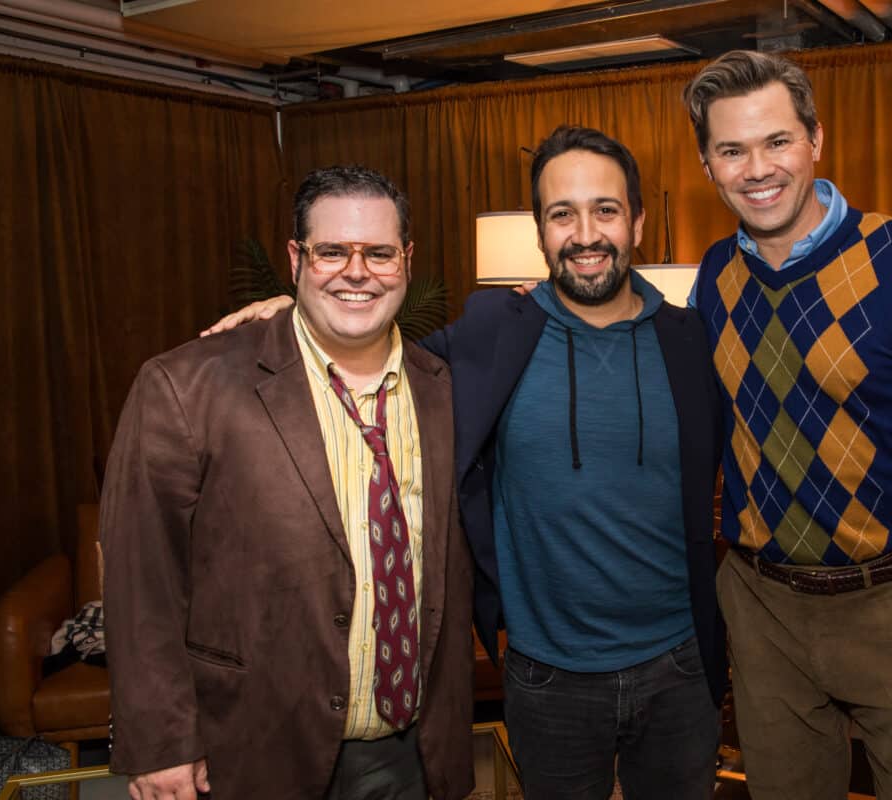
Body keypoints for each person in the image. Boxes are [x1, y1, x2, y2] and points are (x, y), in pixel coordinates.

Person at [206, 126, 728, 800]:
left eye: (606, 210)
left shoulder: (690, 341)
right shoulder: (493, 331)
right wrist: (302, 308)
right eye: (561, 214)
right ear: (540, 232)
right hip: (548, 678)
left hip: (680, 669)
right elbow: (377, 355)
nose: (585, 232)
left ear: (638, 222)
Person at [683, 50, 892, 798]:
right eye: (731, 150)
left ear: (816, 141)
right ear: (708, 165)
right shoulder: (715, 276)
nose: (757, 168)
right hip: (764, 609)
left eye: (777, 141)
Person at [100, 166, 475, 800]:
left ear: (406, 260)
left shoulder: (443, 385)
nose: (357, 272)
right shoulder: (187, 386)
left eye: (379, 253)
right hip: (254, 748)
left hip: (414, 749)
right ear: (296, 258)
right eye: (332, 251)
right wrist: (162, 740)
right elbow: (141, 577)